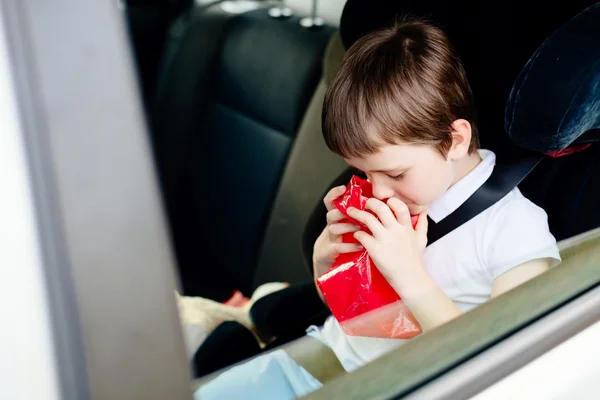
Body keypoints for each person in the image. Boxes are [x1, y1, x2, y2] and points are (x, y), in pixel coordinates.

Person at [194, 18, 560, 399]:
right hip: (311, 363)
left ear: (455, 140)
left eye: (395, 173)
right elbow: (357, 320)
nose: (379, 191)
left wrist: (407, 272)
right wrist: (327, 267)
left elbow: (498, 362)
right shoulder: (394, 193)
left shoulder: (516, 231)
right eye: (362, 172)